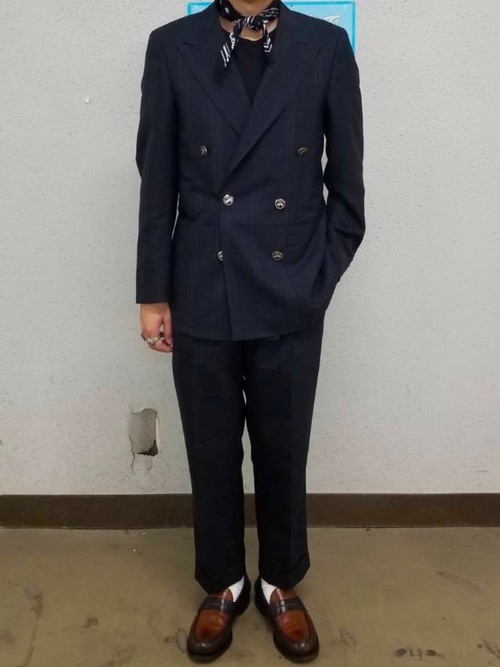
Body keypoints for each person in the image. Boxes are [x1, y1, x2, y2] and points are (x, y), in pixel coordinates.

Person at [135, 0, 365, 661]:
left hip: (290, 288)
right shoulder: (172, 45)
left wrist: (317, 278)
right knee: (210, 446)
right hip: (199, 283)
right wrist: (153, 290)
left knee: (283, 444)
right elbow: (157, 181)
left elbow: (347, 191)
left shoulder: (325, 48)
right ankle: (224, 583)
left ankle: (280, 581)